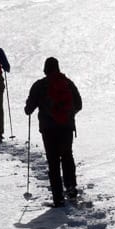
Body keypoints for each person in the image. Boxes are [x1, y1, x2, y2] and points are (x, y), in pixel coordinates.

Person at [24, 57, 82, 206]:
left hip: (48, 129)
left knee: (53, 161)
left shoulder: (40, 85)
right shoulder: (67, 83)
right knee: (67, 156)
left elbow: (28, 109)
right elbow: (79, 104)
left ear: (45, 69)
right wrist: (68, 115)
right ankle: (71, 189)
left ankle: (58, 197)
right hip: (66, 127)